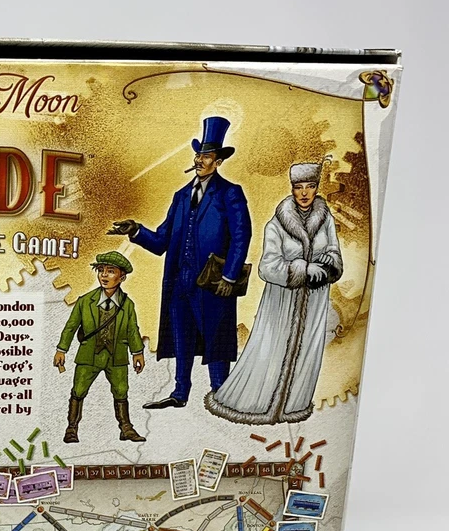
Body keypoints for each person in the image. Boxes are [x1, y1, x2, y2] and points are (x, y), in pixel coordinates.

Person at [110, 116, 252, 409]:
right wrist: (136, 230)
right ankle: (180, 393)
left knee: (216, 335)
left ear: (218, 162)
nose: (199, 160)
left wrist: (229, 276)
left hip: (214, 281)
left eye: (206, 156)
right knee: (181, 336)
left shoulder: (230, 193)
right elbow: (162, 240)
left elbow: (242, 236)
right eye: (198, 154)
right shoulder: (181, 196)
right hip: (179, 281)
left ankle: (220, 393)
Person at [205, 161, 343, 424]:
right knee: (270, 350)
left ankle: (293, 406)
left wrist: (327, 266)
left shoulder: (327, 220)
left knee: (306, 353)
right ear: (292, 189)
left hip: (314, 300)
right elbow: (267, 267)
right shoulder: (277, 224)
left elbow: (335, 255)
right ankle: (253, 406)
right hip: (281, 302)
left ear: (317, 188)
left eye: (310, 186)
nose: (304, 192)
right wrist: (302, 269)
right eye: (299, 187)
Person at [54, 250, 146, 443]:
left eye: (110, 271)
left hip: (117, 357)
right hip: (88, 356)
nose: (104, 275)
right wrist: (61, 350)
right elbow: (71, 327)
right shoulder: (85, 301)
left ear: (122, 277)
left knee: (121, 391)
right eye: (101, 270)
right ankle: (71, 428)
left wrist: (137, 352)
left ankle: (126, 428)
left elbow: (132, 329)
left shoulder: (127, 304)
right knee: (78, 390)